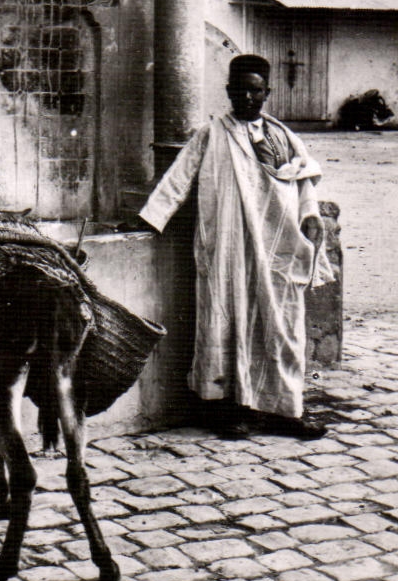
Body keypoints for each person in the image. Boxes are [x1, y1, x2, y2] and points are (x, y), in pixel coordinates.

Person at [139, 53, 333, 441]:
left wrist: (311, 216)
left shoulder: (283, 137)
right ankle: (231, 410)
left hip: (277, 249)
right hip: (229, 248)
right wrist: (149, 217)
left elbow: (304, 184)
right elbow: (178, 179)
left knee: (283, 325)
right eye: (239, 90)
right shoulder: (211, 134)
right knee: (226, 325)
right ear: (228, 91)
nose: (247, 97)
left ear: (267, 93)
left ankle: (286, 410)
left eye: (255, 90)